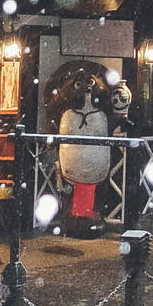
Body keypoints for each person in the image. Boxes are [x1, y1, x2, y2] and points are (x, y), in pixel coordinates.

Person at [55, 75, 119, 237]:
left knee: (95, 191)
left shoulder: (101, 115)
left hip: (95, 165)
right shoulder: (69, 114)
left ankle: (89, 218)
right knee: (70, 191)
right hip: (73, 164)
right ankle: (74, 220)